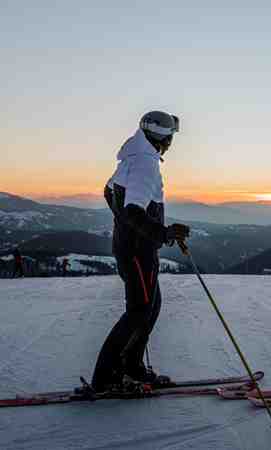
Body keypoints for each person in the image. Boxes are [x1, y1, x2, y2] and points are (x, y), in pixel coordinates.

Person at [91, 111, 190, 393]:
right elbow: (133, 210)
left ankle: (131, 365)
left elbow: (109, 192)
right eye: (171, 135)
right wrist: (163, 233)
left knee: (151, 306)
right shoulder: (145, 164)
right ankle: (107, 375)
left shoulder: (132, 157)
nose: (172, 140)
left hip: (133, 247)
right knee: (139, 311)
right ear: (164, 138)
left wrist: (129, 225)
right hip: (137, 252)